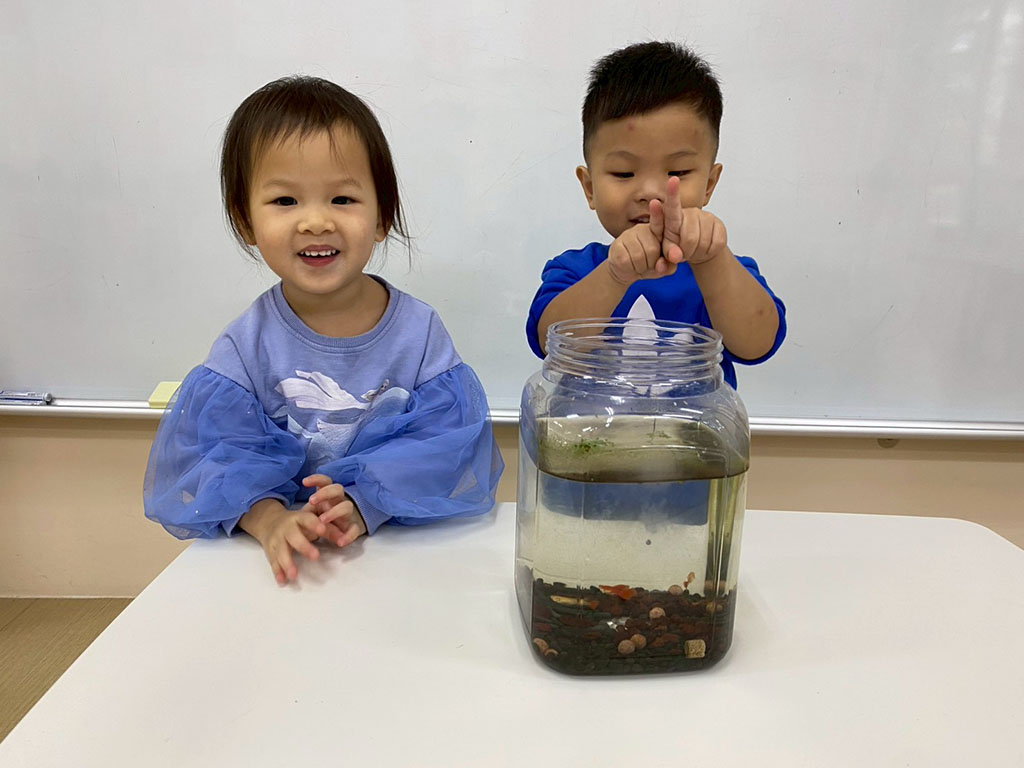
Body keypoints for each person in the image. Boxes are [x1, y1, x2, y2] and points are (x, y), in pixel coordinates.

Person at [144, 76, 503, 584]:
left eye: (342, 199)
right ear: (245, 221)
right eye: (285, 201)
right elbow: (215, 460)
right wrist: (269, 519)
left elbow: (446, 446)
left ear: (382, 217)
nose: (315, 221)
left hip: (396, 553)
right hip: (284, 564)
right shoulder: (245, 345)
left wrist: (365, 501)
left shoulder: (420, 332)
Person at [526, 42, 786, 387]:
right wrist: (615, 276)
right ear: (589, 188)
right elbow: (551, 342)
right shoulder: (575, 270)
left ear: (709, 184)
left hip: (694, 424)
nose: (651, 192)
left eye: (677, 172)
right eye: (623, 173)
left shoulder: (725, 270)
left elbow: (757, 344)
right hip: (592, 424)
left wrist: (713, 261)